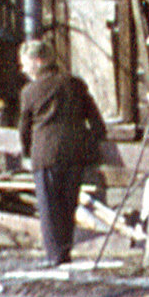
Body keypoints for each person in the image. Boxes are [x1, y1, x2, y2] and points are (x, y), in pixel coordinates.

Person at [15, 36, 110, 267]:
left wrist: (27, 152)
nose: (23, 68)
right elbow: (96, 119)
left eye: (25, 62)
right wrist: (96, 142)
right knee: (68, 206)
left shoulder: (30, 92)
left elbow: (24, 129)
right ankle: (65, 253)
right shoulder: (74, 84)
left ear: (38, 61)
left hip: (45, 155)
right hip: (75, 153)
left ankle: (54, 257)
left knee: (49, 209)